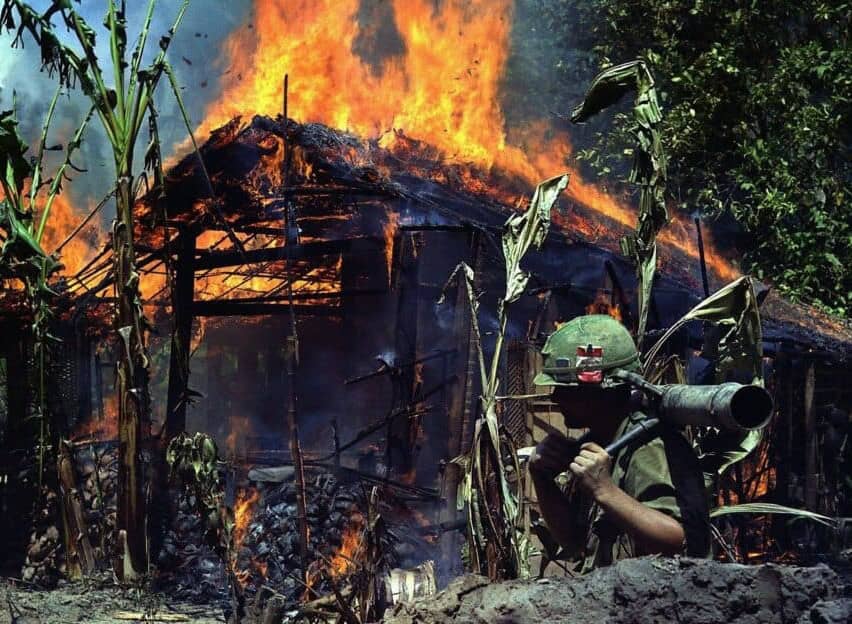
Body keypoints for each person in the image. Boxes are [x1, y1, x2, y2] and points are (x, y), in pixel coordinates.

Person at [528, 315, 710, 573]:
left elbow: (678, 541)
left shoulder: (649, 446)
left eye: (568, 388)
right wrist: (542, 479)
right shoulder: (600, 443)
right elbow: (574, 542)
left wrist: (605, 490)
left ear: (603, 390)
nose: (557, 397)